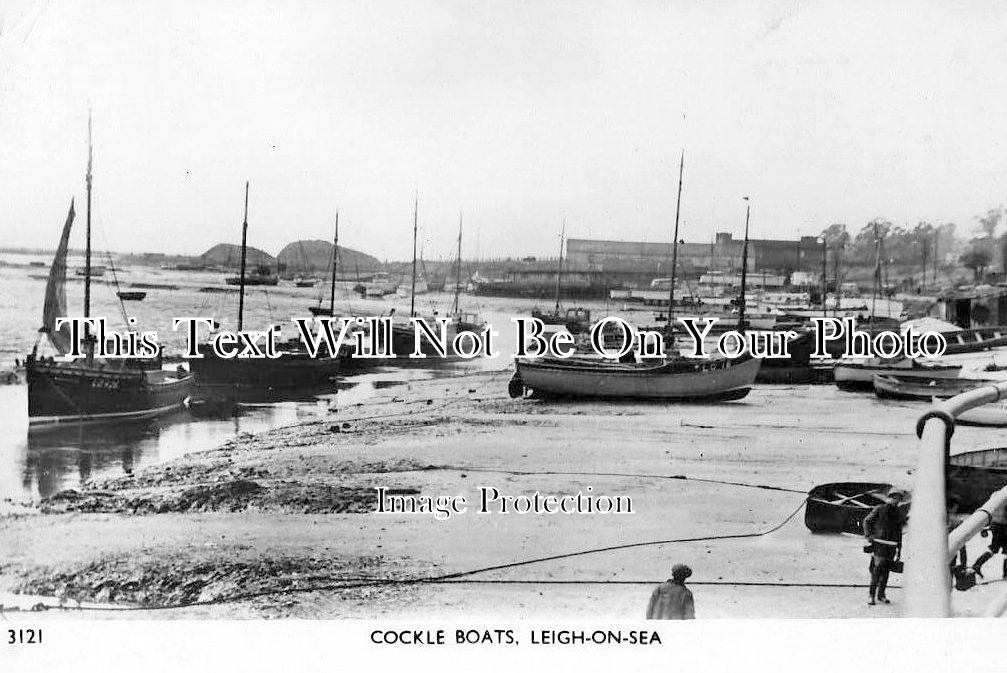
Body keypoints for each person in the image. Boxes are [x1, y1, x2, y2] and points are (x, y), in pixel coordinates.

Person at [863, 488, 906, 606]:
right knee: (877, 570)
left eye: (898, 499)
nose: (896, 500)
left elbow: (899, 532)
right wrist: (869, 535)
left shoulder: (898, 513)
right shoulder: (880, 509)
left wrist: (899, 548)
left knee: (886, 571)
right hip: (879, 545)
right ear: (890, 497)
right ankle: (871, 595)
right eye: (894, 497)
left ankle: (881, 594)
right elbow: (867, 521)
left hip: (891, 546)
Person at [972, 501, 1007, 579]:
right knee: (1002, 549)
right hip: (1003, 525)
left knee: (994, 548)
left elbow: (989, 509)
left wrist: (985, 526)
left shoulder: (997, 494)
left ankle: (977, 565)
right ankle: (1006, 573)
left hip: (995, 524)